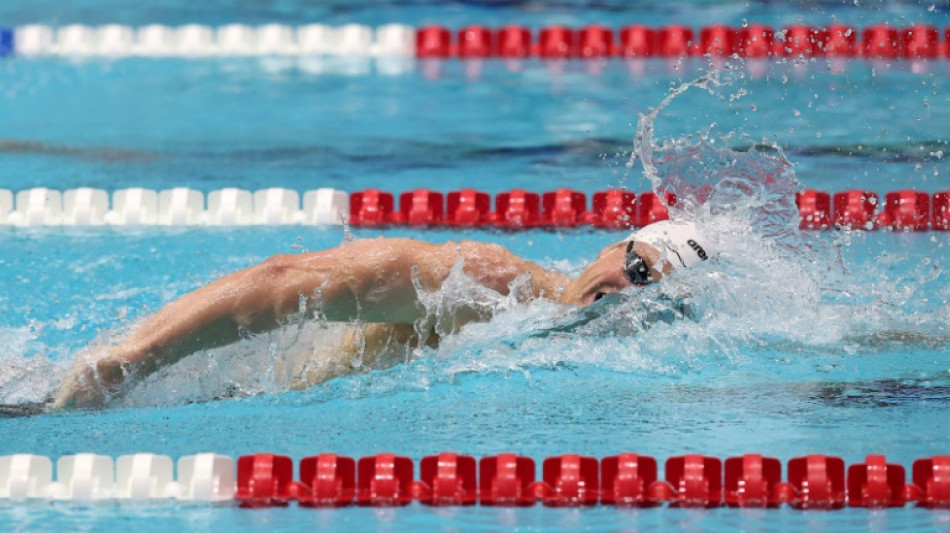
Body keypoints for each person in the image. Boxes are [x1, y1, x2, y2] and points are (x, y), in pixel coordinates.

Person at [53, 220, 713, 409]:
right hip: (162, 394)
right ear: (611, 244)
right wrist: (129, 360)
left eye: (655, 295)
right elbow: (288, 281)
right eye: (637, 268)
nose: (629, 293)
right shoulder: (485, 283)